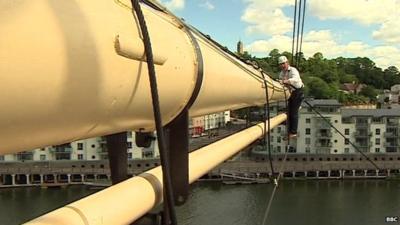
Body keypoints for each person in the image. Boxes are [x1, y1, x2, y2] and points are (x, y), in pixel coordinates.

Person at [278, 55, 304, 138]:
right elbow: (281, 81)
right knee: (289, 112)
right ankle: (289, 132)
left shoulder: (293, 70)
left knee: (293, 113)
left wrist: (286, 81)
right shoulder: (282, 73)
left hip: (297, 92)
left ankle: (293, 132)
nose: (282, 65)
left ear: (287, 63)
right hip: (291, 93)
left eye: (283, 63)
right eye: (281, 64)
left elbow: (296, 79)